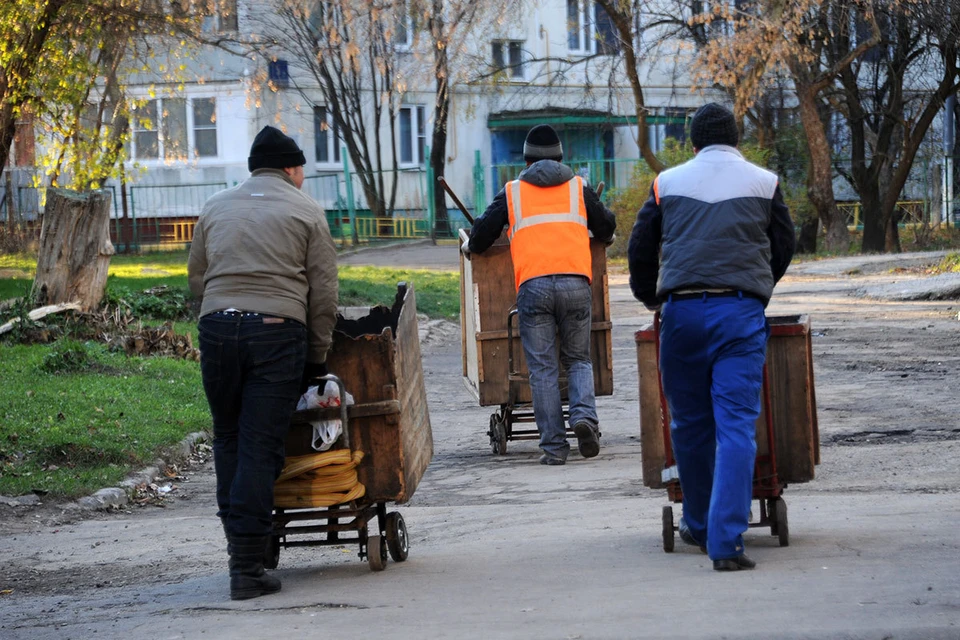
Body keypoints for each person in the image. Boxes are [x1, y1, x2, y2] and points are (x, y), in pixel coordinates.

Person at [627, 103, 796, 571]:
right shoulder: (764, 183)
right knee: (736, 427)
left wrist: (651, 298)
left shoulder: (668, 183)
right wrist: (757, 287)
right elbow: (783, 244)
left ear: (694, 142)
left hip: (681, 314)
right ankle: (726, 544)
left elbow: (640, 247)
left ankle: (698, 526)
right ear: (736, 140)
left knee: (689, 426)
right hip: (739, 313)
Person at [188, 125, 339, 599]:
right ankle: (247, 569)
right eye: (302, 170)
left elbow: (197, 277)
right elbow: (324, 294)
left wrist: (217, 319)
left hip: (217, 329)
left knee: (228, 437)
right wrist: (317, 357)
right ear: (292, 169)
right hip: (276, 332)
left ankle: (241, 550)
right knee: (258, 445)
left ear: (254, 168)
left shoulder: (215, 206)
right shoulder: (307, 210)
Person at [465, 124, 616, 465]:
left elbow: (479, 238)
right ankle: (583, 418)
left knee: (543, 369)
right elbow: (606, 227)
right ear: (561, 158)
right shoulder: (580, 187)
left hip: (533, 288)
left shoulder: (513, 192)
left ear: (527, 160)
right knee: (578, 359)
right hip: (577, 285)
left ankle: (554, 448)